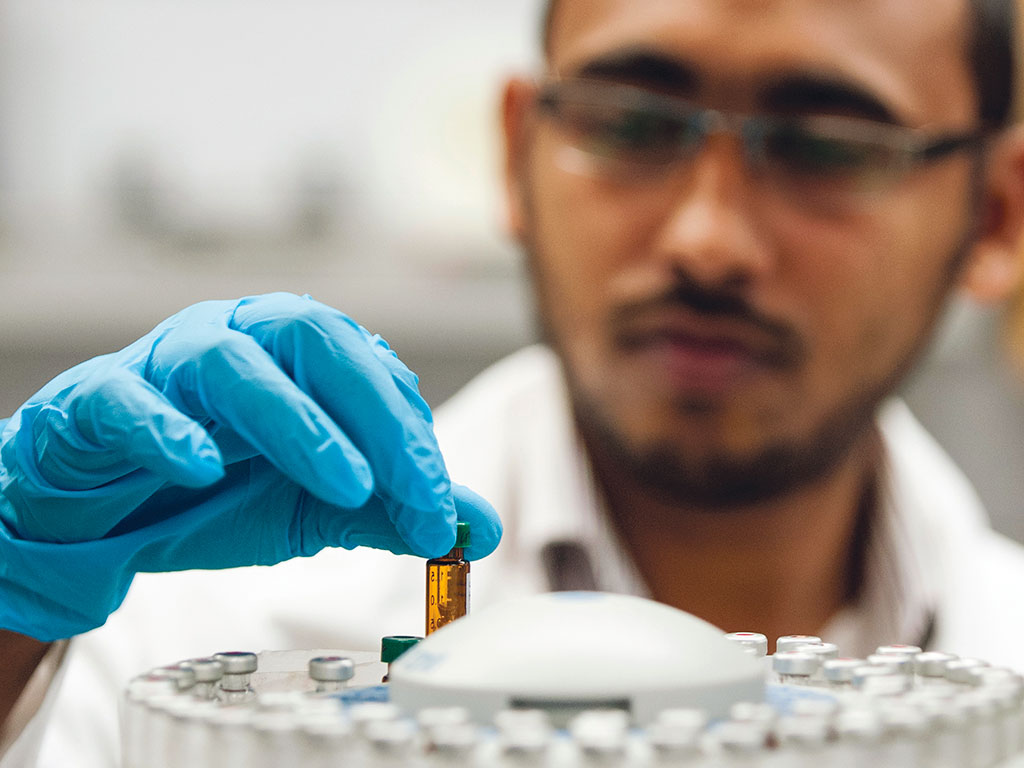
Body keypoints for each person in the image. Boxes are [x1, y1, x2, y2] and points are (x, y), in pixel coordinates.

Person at [4, 0, 1024, 764]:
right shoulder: (190, 652)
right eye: (629, 124)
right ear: (515, 152)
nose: (706, 241)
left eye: (825, 148)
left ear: (995, 217)